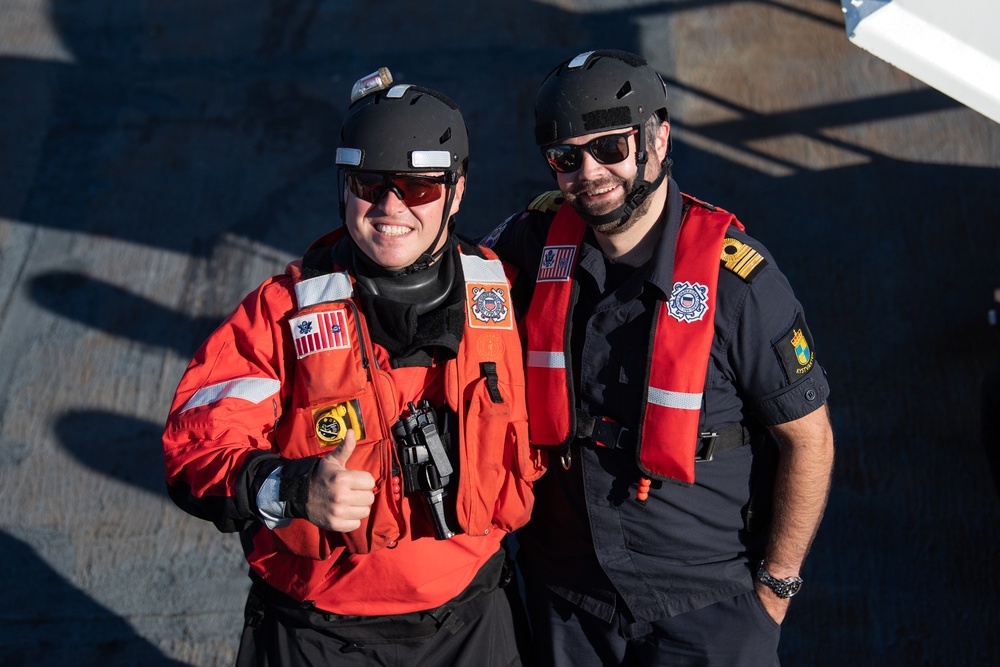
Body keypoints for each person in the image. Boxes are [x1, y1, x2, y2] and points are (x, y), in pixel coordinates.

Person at [163, 67, 543, 666]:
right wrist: (287, 488)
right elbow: (193, 449)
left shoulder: (510, 297)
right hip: (317, 635)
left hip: (469, 627)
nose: (391, 207)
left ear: (457, 192)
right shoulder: (281, 313)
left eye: (416, 186)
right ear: (344, 188)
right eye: (369, 183)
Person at [482, 49, 835, 666]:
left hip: (705, 611)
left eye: (610, 149)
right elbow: (439, 285)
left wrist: (774, 590)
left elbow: (810, 441)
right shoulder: (530, 245)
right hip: (569, 603)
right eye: (567, 158)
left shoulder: (738, 285)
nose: (589, 172)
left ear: (658, 136)